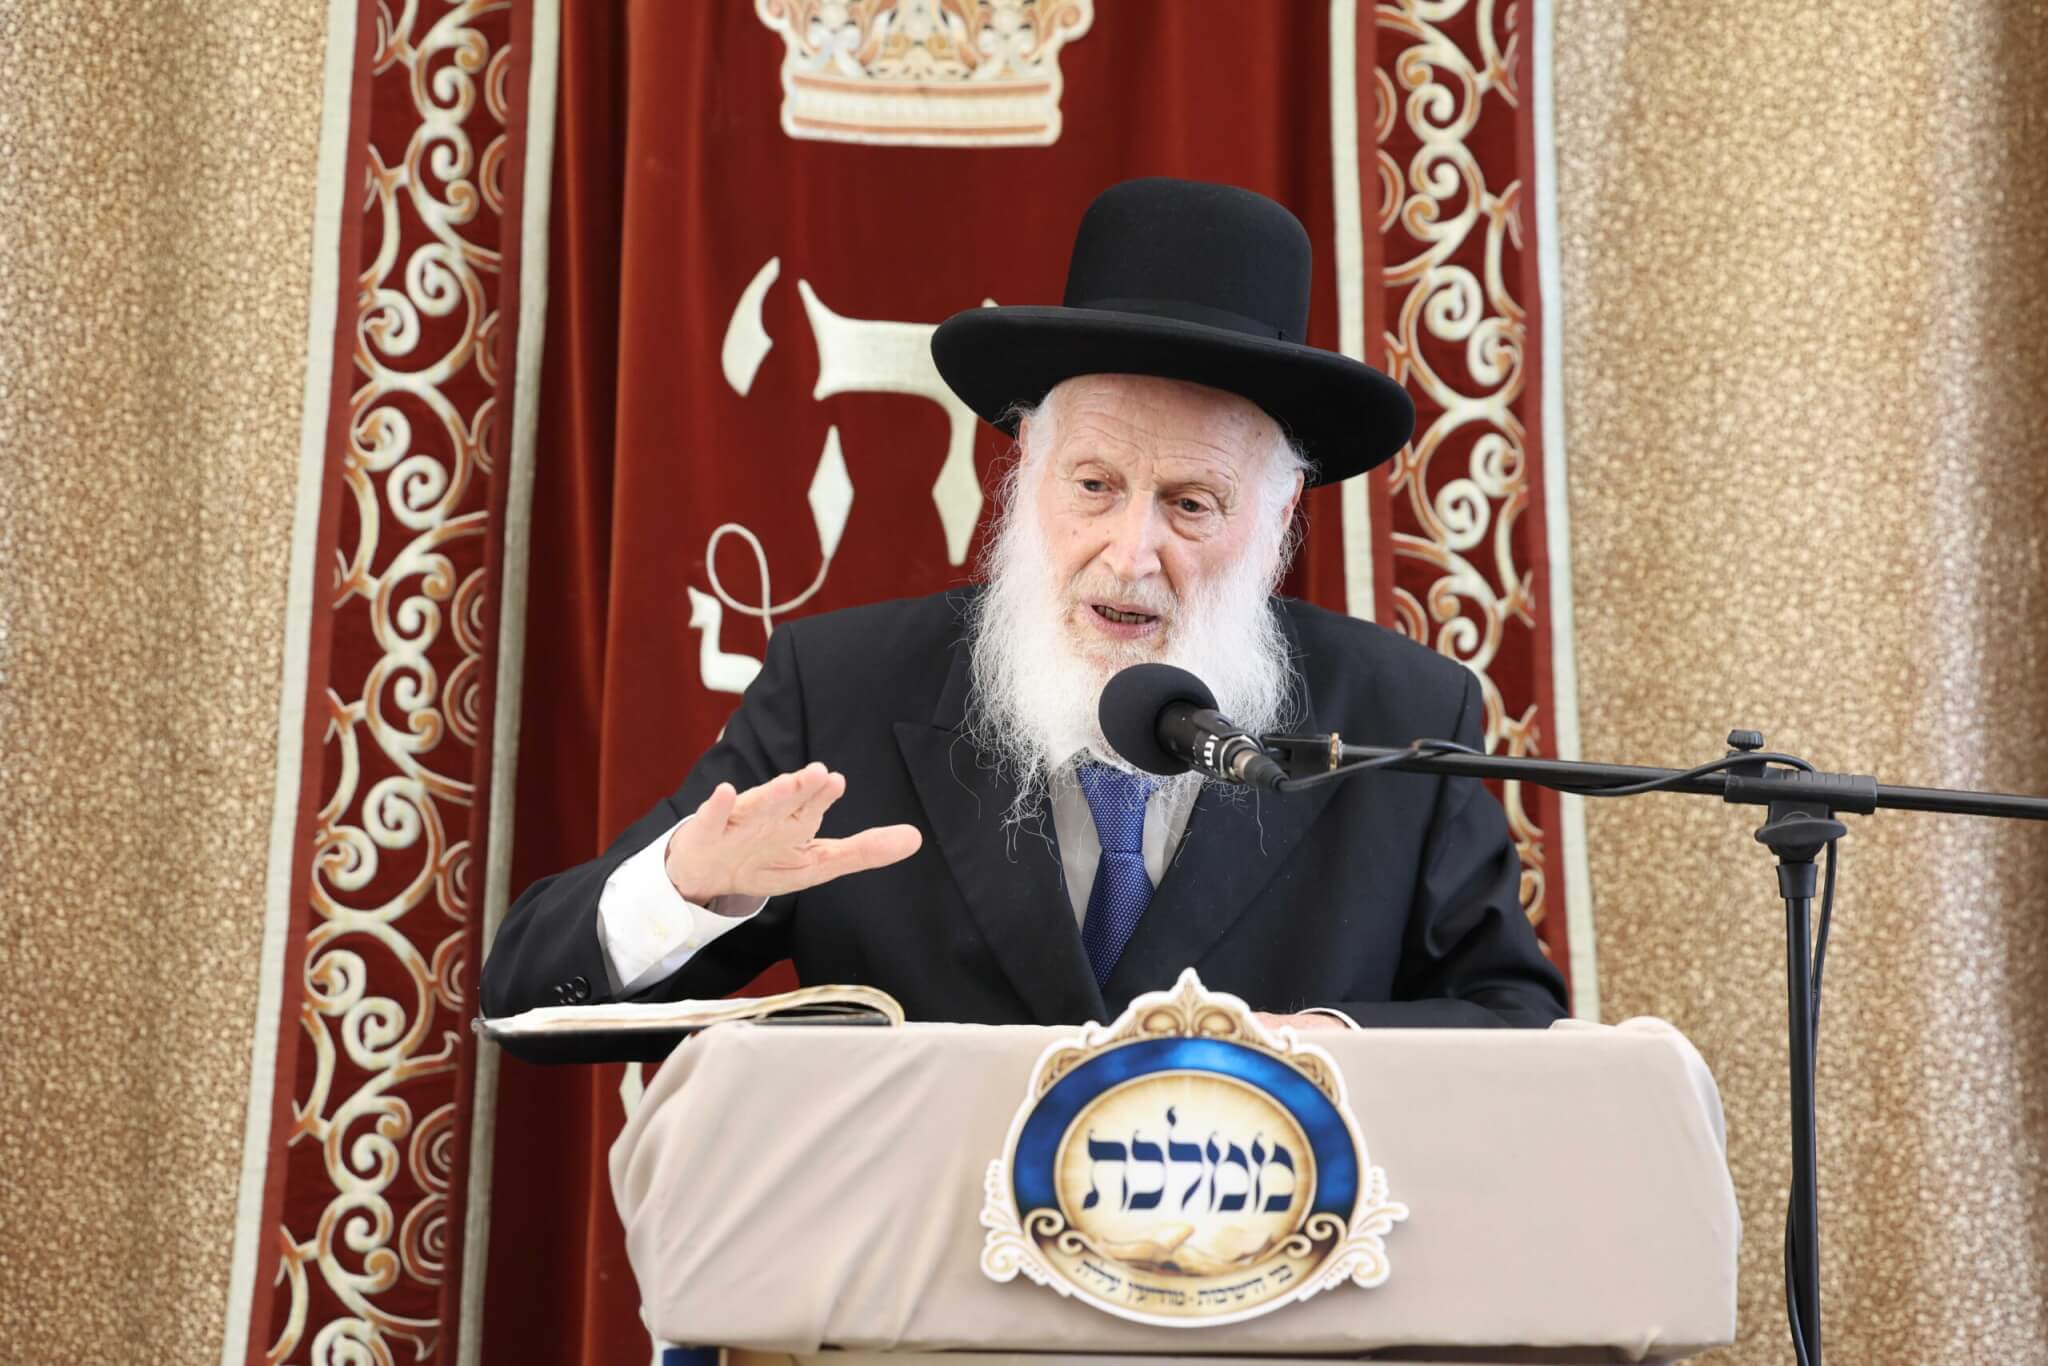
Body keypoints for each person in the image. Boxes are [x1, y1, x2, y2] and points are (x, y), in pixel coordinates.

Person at [481, 178, 1568, 1053]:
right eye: (1094, 485)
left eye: (1191, 504)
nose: (1130, 552)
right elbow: (527, 995)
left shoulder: (1396, 714)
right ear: (1026, 477)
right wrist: (688, 887)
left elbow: (1515, 1022)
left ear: (1276, 518)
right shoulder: (845, 687)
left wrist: (1320, 1042)